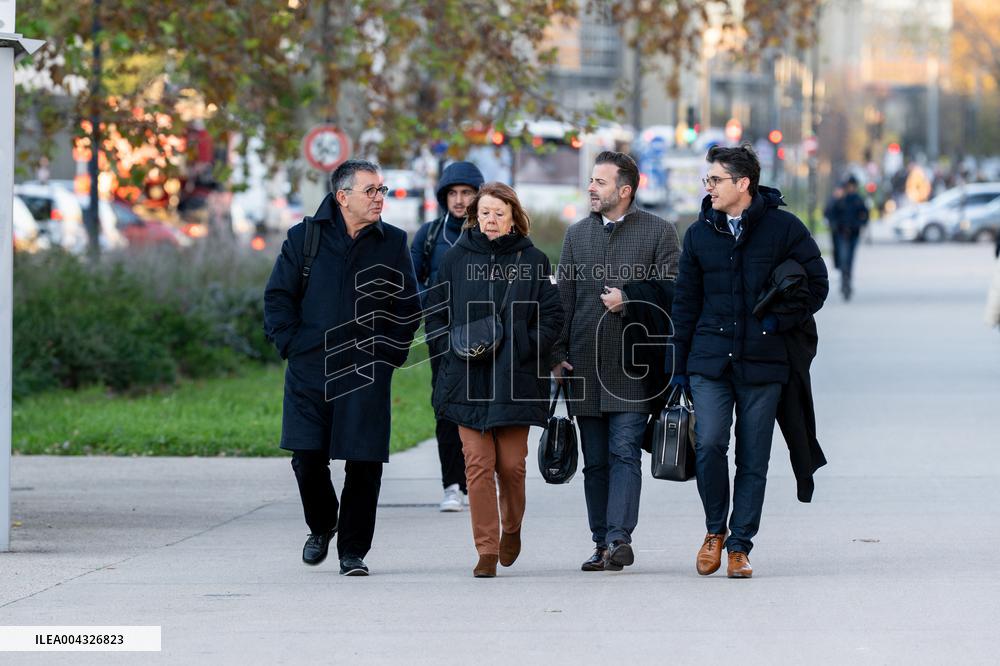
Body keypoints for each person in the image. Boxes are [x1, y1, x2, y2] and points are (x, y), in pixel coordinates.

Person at [670, 144, 828, 579]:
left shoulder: (784, 229)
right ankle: (714, 532)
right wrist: (679, 366)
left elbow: (817, 286)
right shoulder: (699, 233)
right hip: (710, 359)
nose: (709, 188)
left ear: (743, 183)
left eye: (716, 180)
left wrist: (776, 323)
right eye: (708, 180)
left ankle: (740, 545)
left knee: (754, 456)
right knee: (710, 444)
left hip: (763, 362)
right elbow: (685, 303)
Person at [264, 160, 420, 576]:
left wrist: (389, 356)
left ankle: (353, 551)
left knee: (363, 462)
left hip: (366, 369)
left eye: (381, 190)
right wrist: (292, 344)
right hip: (309, 369)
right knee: (306, 458)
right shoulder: (304, 239)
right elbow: (278, 296)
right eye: (370, 190)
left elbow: (408, 308)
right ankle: (322, 523)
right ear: (342, 196)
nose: (378, 198)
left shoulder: (392, 243)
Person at [424, 182, 563, 578]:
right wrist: (449, 348)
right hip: (467, 376)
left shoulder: (533, 260)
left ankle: (512, 528)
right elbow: (435, 312)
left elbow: (551, 317)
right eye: (484, 212)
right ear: (474, 216)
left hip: (515, 378)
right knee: (477, 465)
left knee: (512, 467)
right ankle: (486, 549)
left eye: (499, 213)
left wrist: (523, 345)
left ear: (513, 217)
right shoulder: (454, 259)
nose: (490, 219)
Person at [550, 151, 680, 572]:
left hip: (633, 367)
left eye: (600, 182)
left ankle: (619, 537)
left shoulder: (660, 233)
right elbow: (562, 302)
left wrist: (631, 299)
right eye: (591, 180)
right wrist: (555, 356)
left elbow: (673, 293)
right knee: (596, 462)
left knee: (625, 451)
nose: (591, 188)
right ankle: (600, 543)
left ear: (624, 190)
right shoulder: (575, 236)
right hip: (583, 366)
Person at [410, 161, 485, 512]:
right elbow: (410, 283)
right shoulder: (429, 235)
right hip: (442, 335)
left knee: (481, 405)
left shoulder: (491, 231)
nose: (459, 200)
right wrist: (437, 301)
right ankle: (452, 485)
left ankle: (477, 480)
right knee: (445, 409)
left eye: (467, 193)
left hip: (486, 335)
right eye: (453, 193)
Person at [831, 176, 869, 300]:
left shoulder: (858, 199)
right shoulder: (840, 199)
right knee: (843, 259)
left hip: (853, 234)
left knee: (850, 259)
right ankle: (844, 283)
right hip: (842, 234)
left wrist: (859, 224)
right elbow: (830, 213)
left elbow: (864, 214)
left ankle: (847, 283)